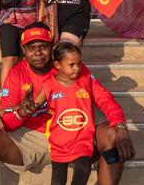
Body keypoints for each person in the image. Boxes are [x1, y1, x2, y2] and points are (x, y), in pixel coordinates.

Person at [0, 22, 134, 185]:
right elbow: (6, 122)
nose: (38, 52)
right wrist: (21, 113)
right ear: (23, 49)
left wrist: (121, 127)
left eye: (43, 46)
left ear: (52, 47)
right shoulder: (16, 74)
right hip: (33, 136)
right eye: (31, 47)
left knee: (112, 134)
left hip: (75, 132)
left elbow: (105, 99)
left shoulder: (71, 68)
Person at [27, 41, 125, 185]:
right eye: (71, 65)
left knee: (83, 169)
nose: (77, 68)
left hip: (82, 139)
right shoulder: (49, 85)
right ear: (58, 65)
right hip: (58, 142)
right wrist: (24, 106)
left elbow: (105, 99)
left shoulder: (85, 81)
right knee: (57, 181)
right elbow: (33, 106)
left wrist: (120, 124)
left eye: (78, 63)